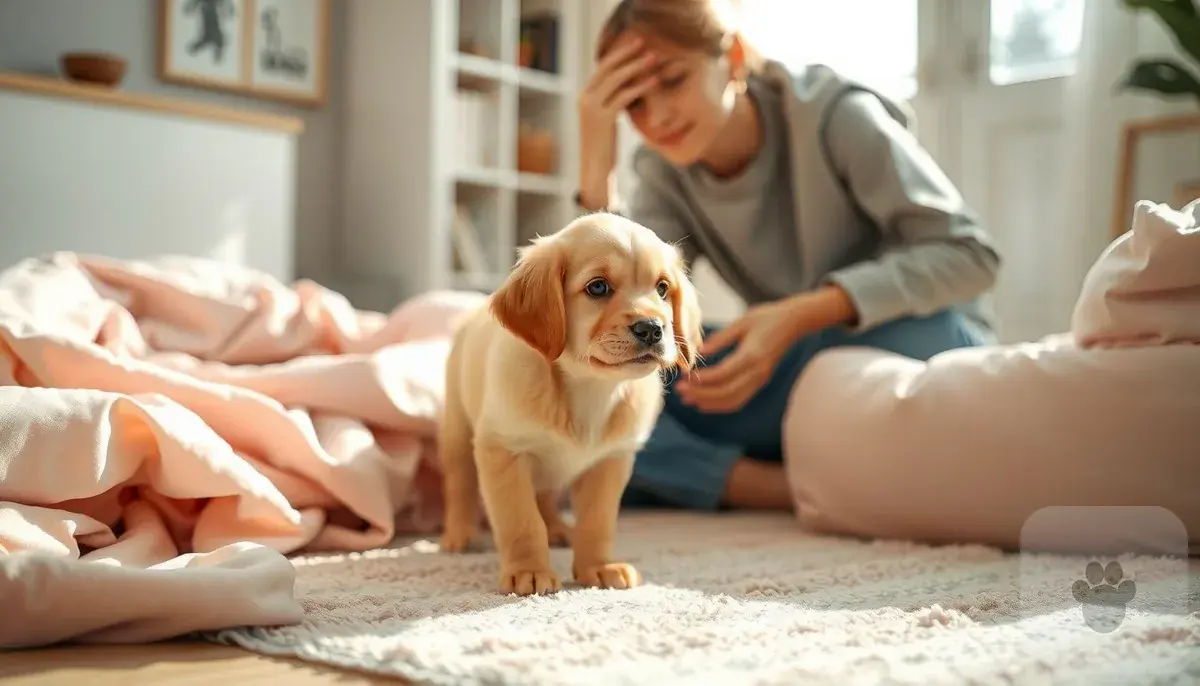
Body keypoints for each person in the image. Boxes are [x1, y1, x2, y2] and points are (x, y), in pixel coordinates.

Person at [575, 0, 1003, 512]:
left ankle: (708, 473)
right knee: (589, 371)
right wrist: (596, 169)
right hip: (784, 362)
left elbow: (971, 255)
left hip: (910, 341)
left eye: (672, 81)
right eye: (634, 105)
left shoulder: (836, 115)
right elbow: (622, 303)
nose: (658, 116)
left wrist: (802, 314)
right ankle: (764, 483)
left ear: (734, 58)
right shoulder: (662, 168)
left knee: (610, 439)